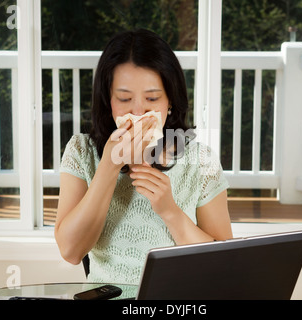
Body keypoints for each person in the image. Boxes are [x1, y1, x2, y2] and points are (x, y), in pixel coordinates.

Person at [55, 29, 233, 285]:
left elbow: (223, 264)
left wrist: (170, 211)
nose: (138, 111)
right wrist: (108, 165)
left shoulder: (200, 160)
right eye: (125, 98)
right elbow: (71, 252)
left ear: (170, 100)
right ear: (108, 101)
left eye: (152, 98)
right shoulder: (81, 151)